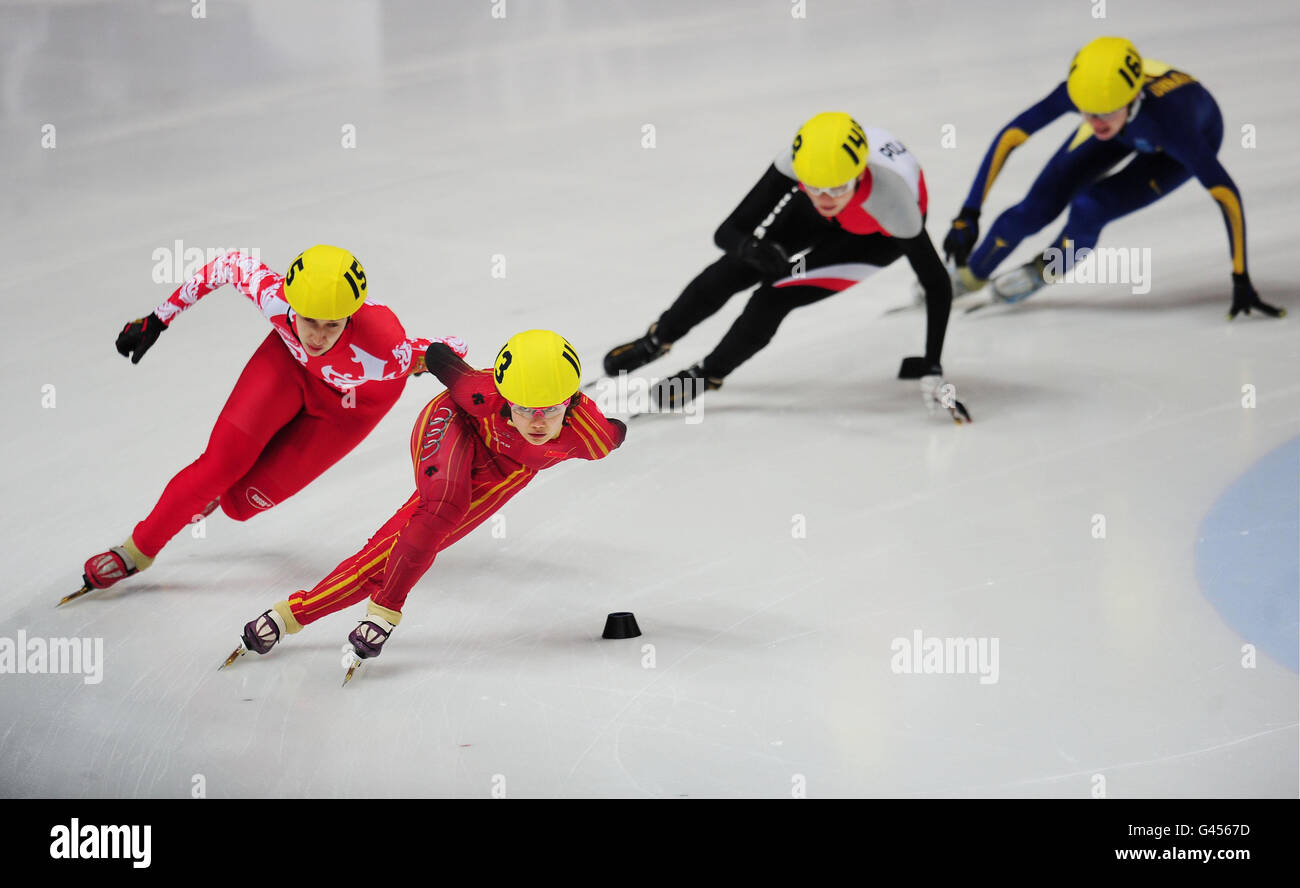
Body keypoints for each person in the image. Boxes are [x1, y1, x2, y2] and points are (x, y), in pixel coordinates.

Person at [68, 246, 466, 604]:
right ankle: (137, 550)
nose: (319, 336)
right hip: (287, 366)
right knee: (218, 467)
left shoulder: (386, 349)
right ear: (292, 304)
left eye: (333, 324)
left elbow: (448, 351)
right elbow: (226, 265)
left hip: (353, 406)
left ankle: (216, 496)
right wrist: (157, 320)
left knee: (239, 505)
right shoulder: (273, 297)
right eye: (310, 320)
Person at [223, 330, 626, 678]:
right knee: (440, 508)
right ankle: (385, 612)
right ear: (504, 397)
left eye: (550, 410)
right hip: (455, 423)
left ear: (571, 401)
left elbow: (614, 433)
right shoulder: (480, 395)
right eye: (522, 408)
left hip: (505, 471)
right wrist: (419, 355)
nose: (536, 422)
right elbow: (440, 358)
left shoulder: (591, 437)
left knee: (386, 555)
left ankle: (290, 615)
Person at [602, 111, 966, 421]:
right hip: (819, 216)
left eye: (836, 188)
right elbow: (728, 231)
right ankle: (657, 339)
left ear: (857, 175)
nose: (826, 198)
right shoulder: (797, 163)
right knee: (735, 268)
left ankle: (707, 375)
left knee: (774, 297)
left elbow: (936, 282)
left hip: (874, 235)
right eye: (814, 187)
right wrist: (752, 249)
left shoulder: (892, 202)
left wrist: (932, 365)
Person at [940, 35, 1286, 318]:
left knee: (1091, 208)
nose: (1095, 122)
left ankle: (1048, 268)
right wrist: (969, 212)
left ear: (1133, 97)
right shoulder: (1095, 101)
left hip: (1177, 140)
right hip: (1131, 125)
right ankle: (971, 275)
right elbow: (1011, 135)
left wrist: (1241, 277)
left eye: (1104, 112)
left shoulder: (1172, 124)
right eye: (1086, 113)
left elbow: (1226, 194)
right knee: (1034, 209)